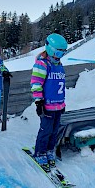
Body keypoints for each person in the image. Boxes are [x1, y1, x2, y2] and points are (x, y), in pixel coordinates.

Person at [30, 33, 68, 172]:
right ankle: (40, 152)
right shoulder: (42, 64)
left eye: (63, 52)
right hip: (47, 105)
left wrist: (62, 103)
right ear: (51, 49)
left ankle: (49, 150)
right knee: (45, 130)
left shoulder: (59, 64)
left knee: (54, 131)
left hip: (58, 105)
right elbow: (36, 84)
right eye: (59, 51)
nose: (61, 54)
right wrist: (39, 102)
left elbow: (60, 85)